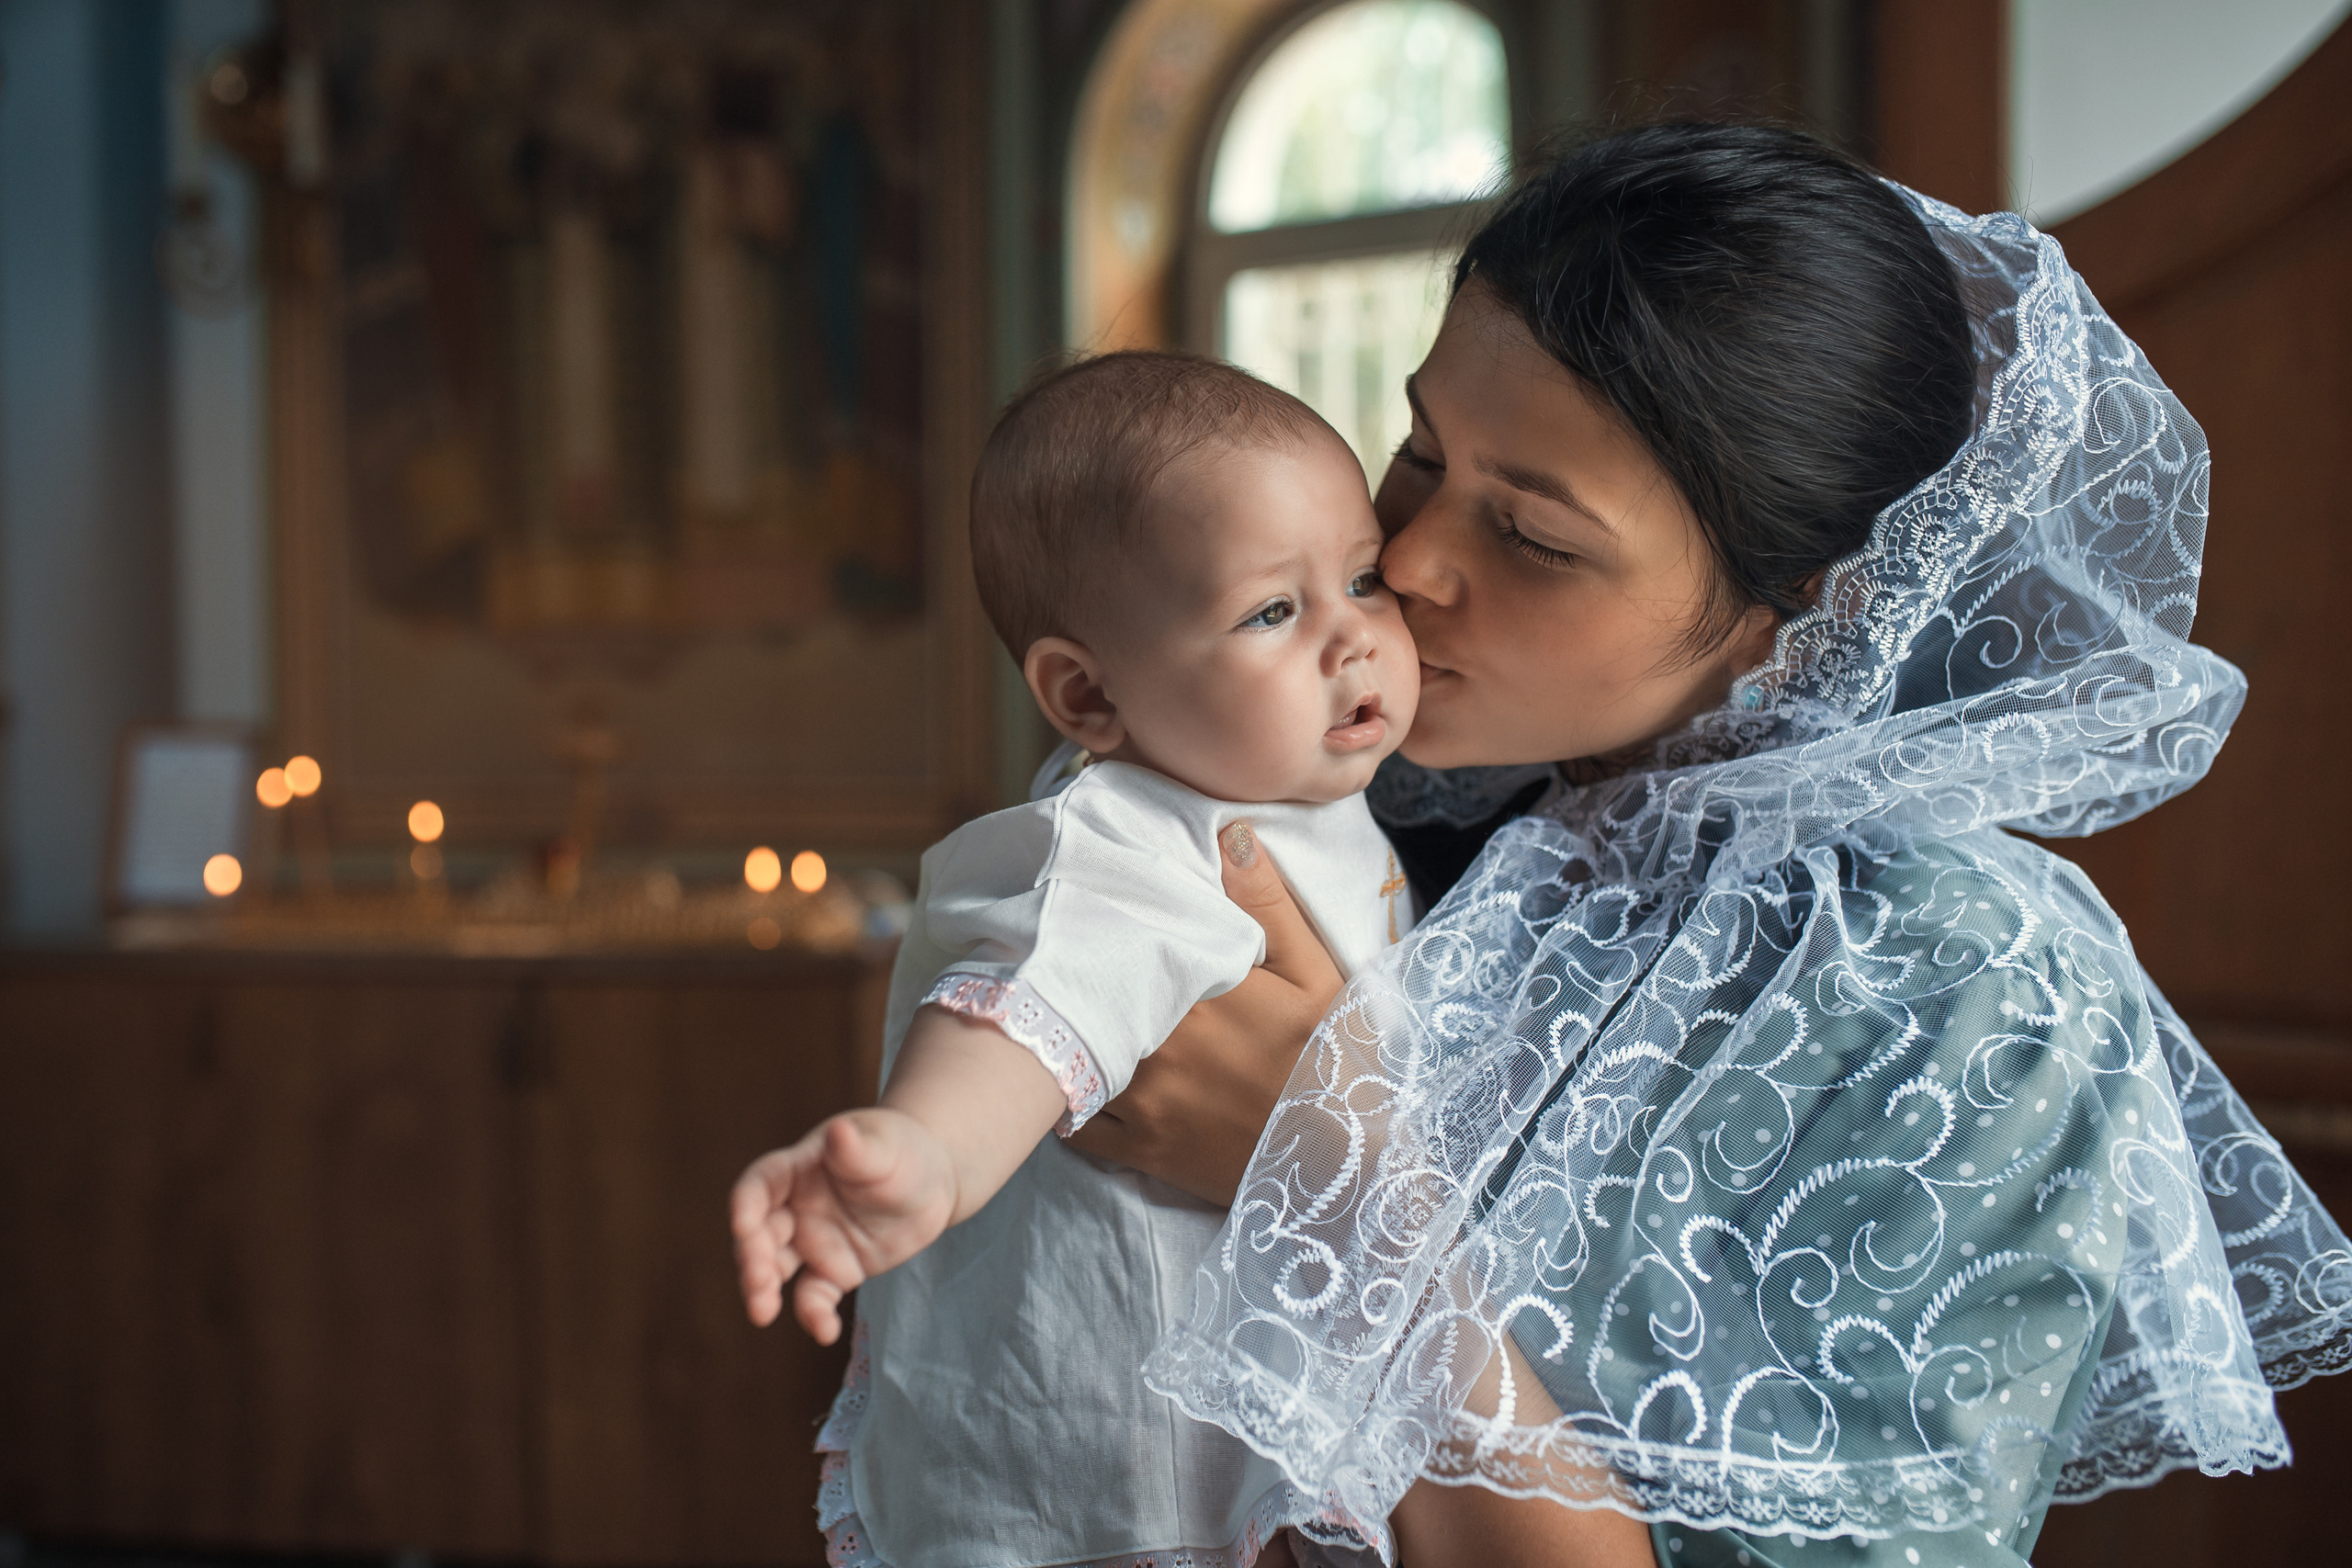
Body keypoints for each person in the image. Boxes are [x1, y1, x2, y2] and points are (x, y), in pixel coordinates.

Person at [1070, 125, 2352, 1567]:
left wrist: (1339, 1195)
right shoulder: (1362, 792)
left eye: (1533, 535)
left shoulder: (1968, 988)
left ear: (1803, 603)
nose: (1410, 559)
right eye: (1422, 449)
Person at [729, 352, 1421, 1568]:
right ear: (1088, 696)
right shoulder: (1123, 845)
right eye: (1273, 612)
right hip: (1128, 1463)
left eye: (1364, 577)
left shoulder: (1296, 792)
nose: (1353, 638)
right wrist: (931, 1152)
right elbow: (1026, 1003)